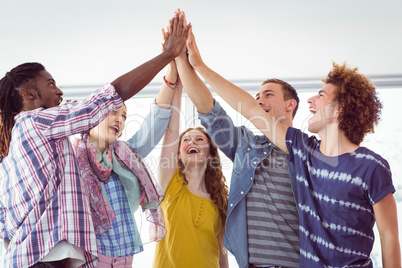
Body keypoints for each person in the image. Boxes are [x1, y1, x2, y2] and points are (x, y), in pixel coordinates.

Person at [183, 27, 401, 267]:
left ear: (339, 109)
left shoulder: (363, 165)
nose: (311, 100)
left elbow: (389, 236)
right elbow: (241, 109)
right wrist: (195, 65)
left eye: (321, 95)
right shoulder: (299, 152)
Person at [0, 12, 188, 268]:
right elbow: (105, 99)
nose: (60, 91)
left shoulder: (16, 148)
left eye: (124, 116)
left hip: (45, 258)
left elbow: (4, 217)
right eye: (51, 83)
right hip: (42, 259)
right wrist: (167, 54)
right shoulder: (37, 123)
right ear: (30, 94)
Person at [174, 25, 300, 268]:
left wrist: (200, 65)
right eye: (257, 96)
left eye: (268, 94)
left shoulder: (308, 151)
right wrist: (180, 57)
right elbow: (208, 109)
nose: (259, 99)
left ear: (290, 104)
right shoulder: (246, 145)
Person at [72, 59, 180, 267]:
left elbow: (156, 119)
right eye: (113, 112)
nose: (120, 120)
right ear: (91, 116)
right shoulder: (71, 160)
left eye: (124, 116)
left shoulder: (127, 155)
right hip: (89, 260)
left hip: (124, 260)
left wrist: (172, 70)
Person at [152, 43, 229, 267]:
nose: (191, 142)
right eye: (186, 140)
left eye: (199, 139)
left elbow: (221, 252)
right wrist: (176, 64)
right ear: (179, 152)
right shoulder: (170, 182)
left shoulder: (220, 199)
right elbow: (172, 130)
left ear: (210, 153)